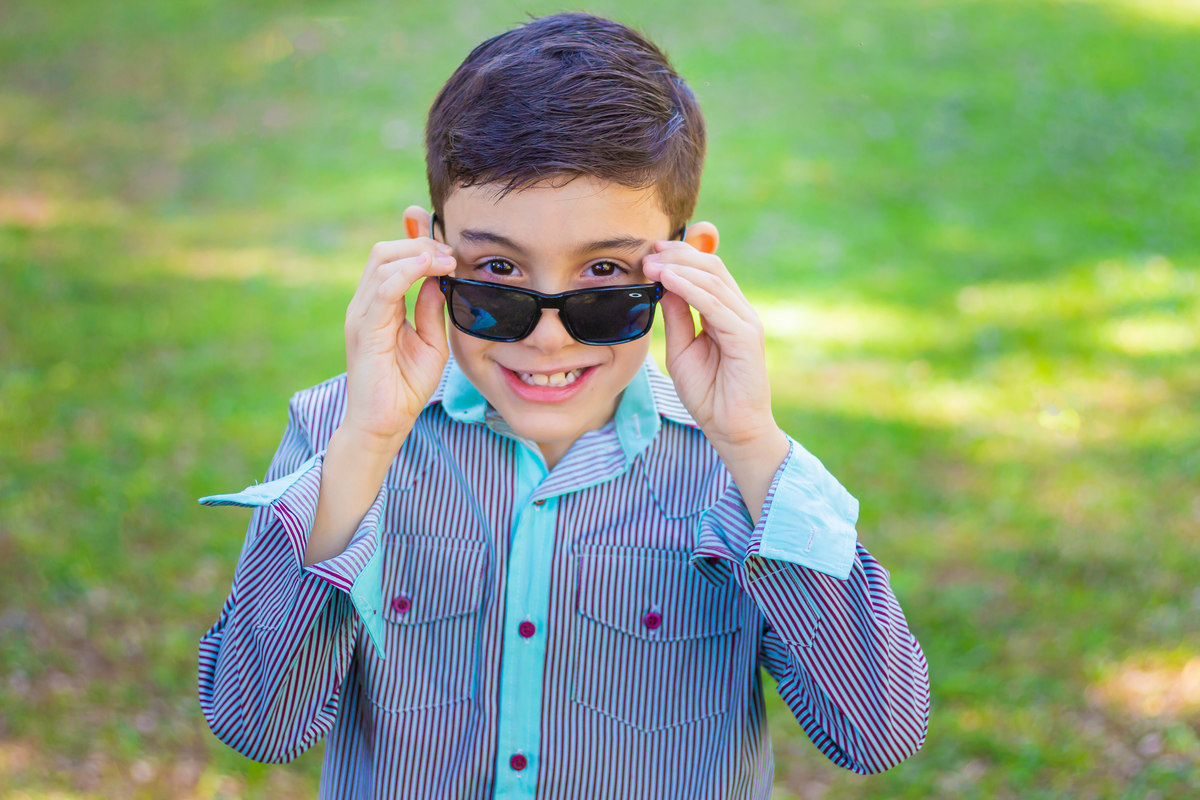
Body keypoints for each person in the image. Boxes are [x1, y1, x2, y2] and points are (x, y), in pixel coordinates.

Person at [197, 12, 930, 799]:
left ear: (686, 264)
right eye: (498, 271)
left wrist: (751, 442)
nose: (547, 337)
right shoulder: (339, 435)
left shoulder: (741, 470)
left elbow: (876, 734)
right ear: (428, 250)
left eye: (604, 272)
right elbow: (258, 724)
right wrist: (368, 443)